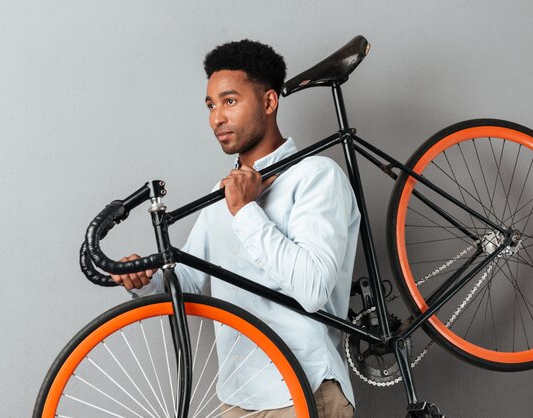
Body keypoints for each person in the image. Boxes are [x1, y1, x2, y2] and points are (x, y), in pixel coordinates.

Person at [112, 39, 360, 418]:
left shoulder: (315, 176)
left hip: (303, 392)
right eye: (211, 106)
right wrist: (145, 281)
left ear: (269, 102)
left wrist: (245, 211)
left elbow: (312, 289)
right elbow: (190, 285)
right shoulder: (221, 195)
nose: (216, 118)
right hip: (236, 399)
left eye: (229, 101)